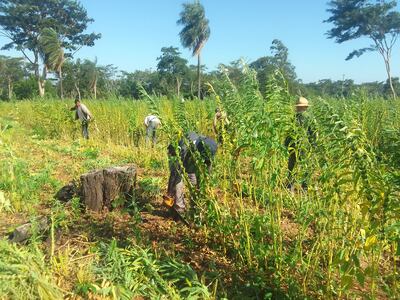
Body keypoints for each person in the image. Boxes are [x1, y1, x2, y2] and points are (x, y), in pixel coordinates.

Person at [167, 132, 218, 214]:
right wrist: (169, 193)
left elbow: (207, 170)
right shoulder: (185, 146)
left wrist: (205, 187)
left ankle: (195, 206)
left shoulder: (210, 146)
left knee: (193, 176)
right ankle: (179, 208)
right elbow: (175, 172)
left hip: (191, 156)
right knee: (178, 178)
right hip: (175, 154)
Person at [285, 97, 315, 192]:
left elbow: (289, 133)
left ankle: (290, 186)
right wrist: (313, 145)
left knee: (292, 165)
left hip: (293, 145)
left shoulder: (294, 118)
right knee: (305, 166)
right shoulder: (309, 118)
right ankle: (305, 187)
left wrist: (286, 145)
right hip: (304, 146)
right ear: (306, 107)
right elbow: (313, 133)